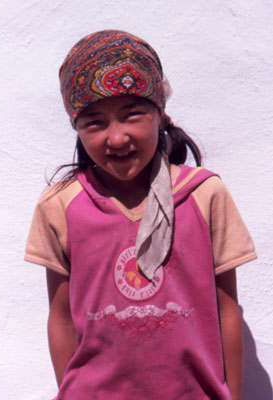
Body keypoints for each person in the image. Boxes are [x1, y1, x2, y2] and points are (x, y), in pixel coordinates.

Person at [24, 30, 257, 400]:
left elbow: (227, 310)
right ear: (78, 130)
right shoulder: (60, 206)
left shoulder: (205, 194)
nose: (116, 138)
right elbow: (62, 317)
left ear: (160, 114)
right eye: (94, 123)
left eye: (132, 115)